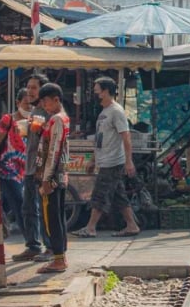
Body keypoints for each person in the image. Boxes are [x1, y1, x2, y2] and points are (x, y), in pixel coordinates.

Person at [75, 77, 143, 238]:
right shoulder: (104, 112)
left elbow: (126, 137)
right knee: (119, 196)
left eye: (97, 90)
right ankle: (132, 225)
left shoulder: (116, 111)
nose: (95, 94)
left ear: (105, 92)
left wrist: (129, 161)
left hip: (113, 161)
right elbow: (99, 139)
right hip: (104, 159)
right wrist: (93, 159)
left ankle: (90, 227)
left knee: (100, 193)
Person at [0, 80, 47, 262]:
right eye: (25, 103)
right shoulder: (8, 119)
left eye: (30, 103)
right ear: (17, 103)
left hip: (29, 168)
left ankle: (33, 243)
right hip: (8, 169)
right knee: (22, 206)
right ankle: (32, 243)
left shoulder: (37, 119)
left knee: (30, 206)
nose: (28, 106)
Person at [34, 83, 72, 272]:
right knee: (58, 216)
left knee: (52, 218)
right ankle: (60, 256)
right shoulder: (62, 119)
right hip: (60, 174)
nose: (45, 106)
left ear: (56, 99)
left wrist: (47, 178)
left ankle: (58, 258)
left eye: (46, 102)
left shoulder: (57, 119)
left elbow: (54, 151)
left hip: (53, 176)